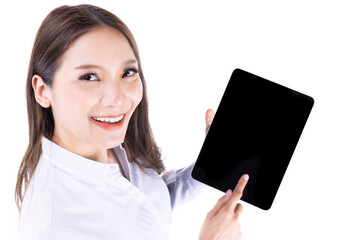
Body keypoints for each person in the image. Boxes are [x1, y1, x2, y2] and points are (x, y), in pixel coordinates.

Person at [15, 4, 248, 240]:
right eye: (89, 77)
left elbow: (144, 205)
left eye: (127, 73)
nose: (117, 99)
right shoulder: (56, 228)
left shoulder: (106, 144)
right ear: (43, 91)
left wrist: (211, 162)